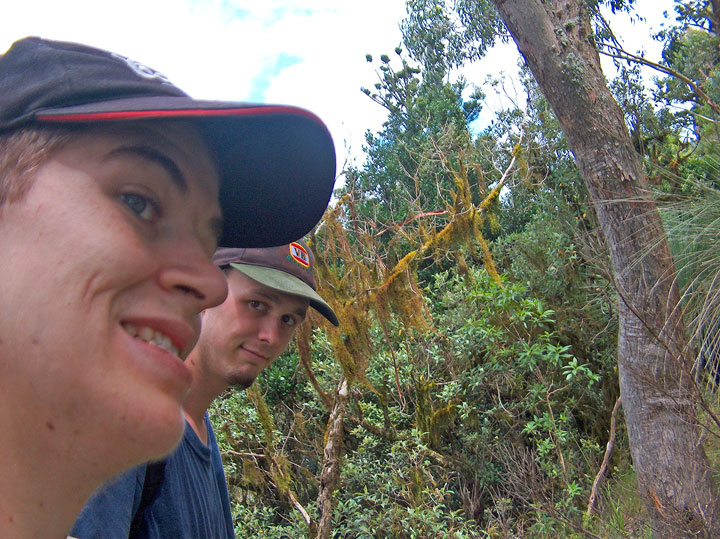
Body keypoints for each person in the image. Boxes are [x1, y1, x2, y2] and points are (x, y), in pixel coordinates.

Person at [0, 37, 335, 539]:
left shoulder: (197, 443)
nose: (204, 283)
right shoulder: (133, 454)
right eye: (139, 203)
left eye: (209, 240)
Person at [69, 239, 339, 538]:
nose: (271, 336)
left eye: (288, 320)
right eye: (257, 304)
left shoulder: (200, 432)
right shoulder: (125, 419)